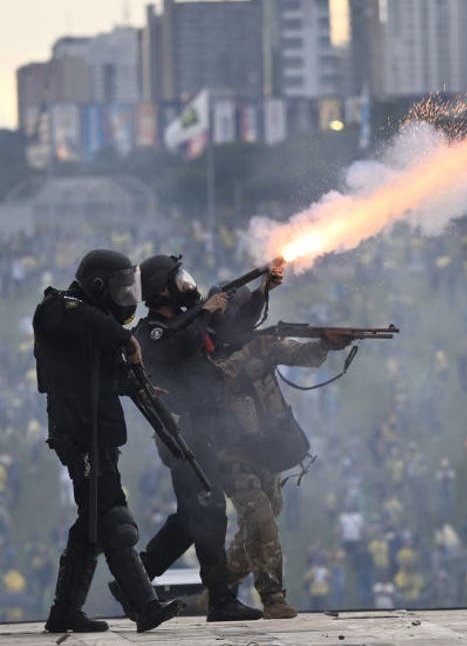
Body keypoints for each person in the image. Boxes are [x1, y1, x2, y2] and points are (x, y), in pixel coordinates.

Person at [33, 249, 184, 633]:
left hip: (96, 432)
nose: (125, 297)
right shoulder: (59, 310)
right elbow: (80, 319)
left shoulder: (89, 326)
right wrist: (125, 339)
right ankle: (144, 605)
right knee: (115, 520)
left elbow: (100, 378)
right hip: (78, 433)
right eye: (117, 288)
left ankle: (65, 611)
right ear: (98, 287)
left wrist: (139, 386)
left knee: (91, 526)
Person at [108, 254, 263, 622]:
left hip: (203, 430)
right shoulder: (152, 332)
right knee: (208, 514)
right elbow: (169, 345)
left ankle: (137, 578)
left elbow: (235, 331)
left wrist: (262, 291)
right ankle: (221, 600)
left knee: (192, 517)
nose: (187, 284)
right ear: (162, 290)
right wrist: (204, 313)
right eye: (178, 280)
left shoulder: (191, 323)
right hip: (184, 432)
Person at [208, 281, 353, 619]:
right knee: (260, 517)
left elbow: (300, 355)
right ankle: (272, 597)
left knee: (268, 512)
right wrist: (251, 352)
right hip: (231, 452)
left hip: (266, 448)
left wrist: (327, 345)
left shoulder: (262, 343)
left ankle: (221, 582)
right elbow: (215, 379)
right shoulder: (208, 349)